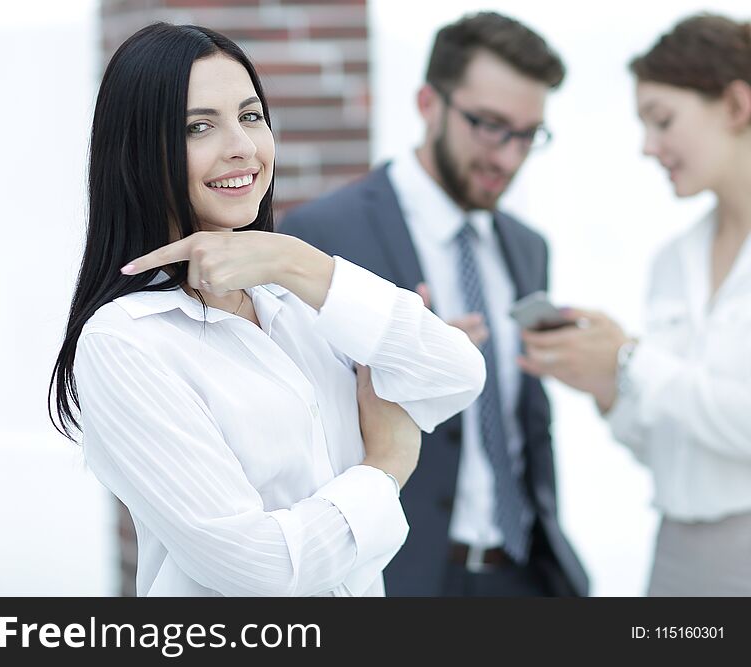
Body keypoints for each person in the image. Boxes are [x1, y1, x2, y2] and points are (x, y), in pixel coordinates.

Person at [48, 22, 485, 597]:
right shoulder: (125, 342)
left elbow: (457, 373)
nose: (242, 148)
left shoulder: (296, 296)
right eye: (198, 126)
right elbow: (258, 569)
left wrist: (295, 261)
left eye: (251, 116)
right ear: (136, 154)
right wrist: (384, 469)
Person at [280, 12, 588, 597]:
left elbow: (527, 420)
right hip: (402, 576)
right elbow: (294, 421)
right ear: (428, 103)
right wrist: (406, 352)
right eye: (490, 126)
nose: (508, 157)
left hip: (526, 575)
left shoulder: (526, 246)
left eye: (528, 135)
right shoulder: (325, 234)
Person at [520, 14, 751, 596]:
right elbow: (662, 440)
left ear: (736, 105)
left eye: (662, 120)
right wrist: (605, 385)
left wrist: (629, 357)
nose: (649, 147)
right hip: (677, 550)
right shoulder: (674, 260)